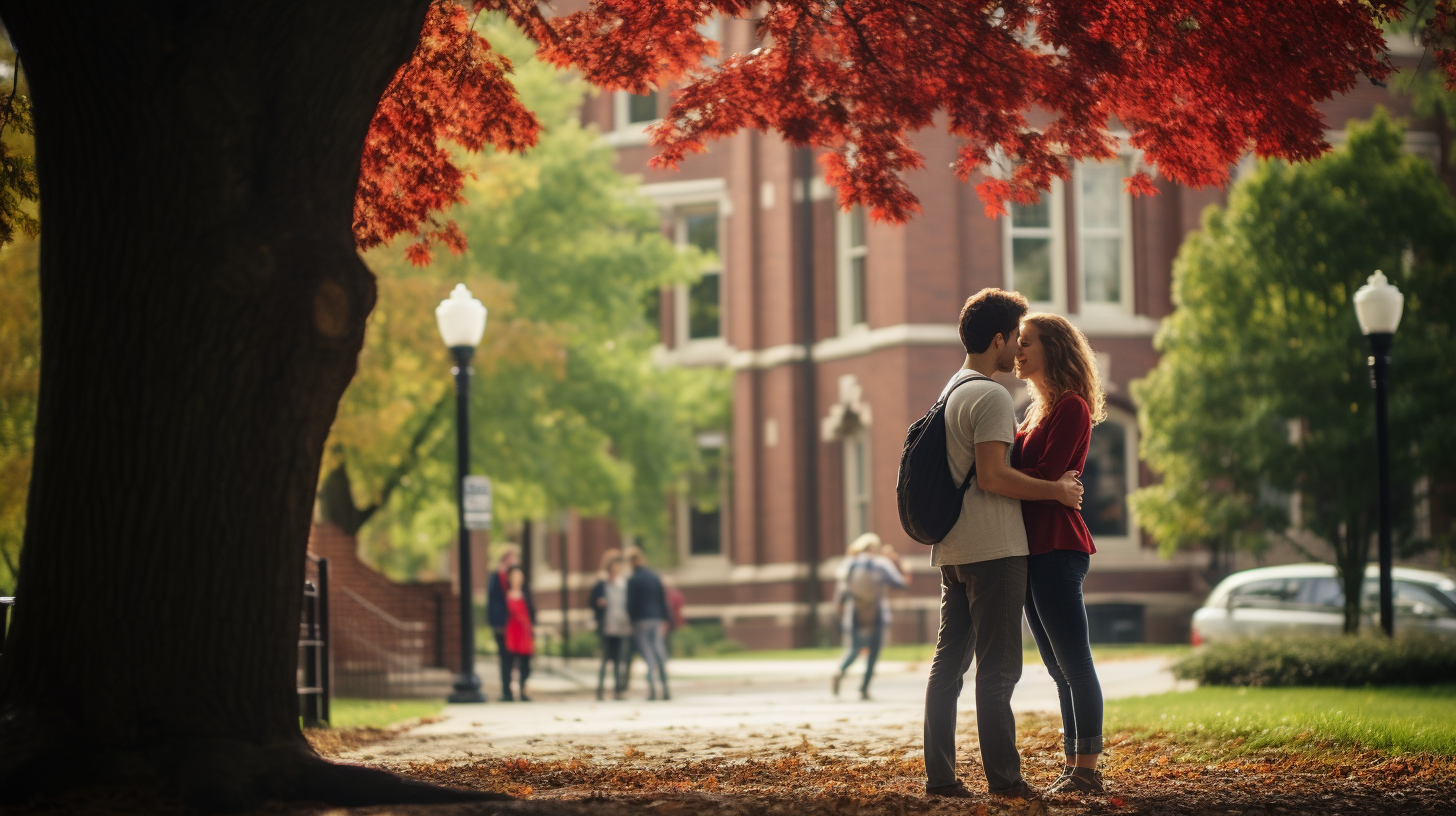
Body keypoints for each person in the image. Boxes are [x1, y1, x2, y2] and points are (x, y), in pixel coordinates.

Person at [922, 288, 1083, 802]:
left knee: (947, 667)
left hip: (952, 550)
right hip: (994, 551)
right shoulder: (990, 396)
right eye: (1015, 337)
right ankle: (1006, 781)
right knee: (998, 671)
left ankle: (941, 778)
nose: (1017, 348)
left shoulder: (953, 389)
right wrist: (1057, 490)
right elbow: (994, 477)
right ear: (997, 338)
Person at [1012, 312, 1108, 794]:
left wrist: (1037, 484)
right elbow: (1029, 476)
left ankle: (1087, 769)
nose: (1018, 350)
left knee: (1075, 663)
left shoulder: (1071, 407)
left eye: (1027, 342)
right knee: (1056, 667)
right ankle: (1074, 763)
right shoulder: (1034, 411)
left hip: (1058, 546)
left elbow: (1048, 476)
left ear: (1054, 348)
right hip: (1033, 548)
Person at [832, 532, 906, 700]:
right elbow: (900, 583)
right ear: (875, 548)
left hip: (855, 612)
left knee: (855, 649)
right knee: (873, 652)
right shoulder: (880, 563)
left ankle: (840, 671)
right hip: (877, 613)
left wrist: (839, 609)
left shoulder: (850, 563)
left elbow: (841, 593)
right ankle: (863, 689)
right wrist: (896, 564)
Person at [624, 548, 671, 701]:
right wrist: (665, 619)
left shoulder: (633, 580)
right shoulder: (654, 577)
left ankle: (652, 690)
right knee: (659, 652)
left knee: (648, 655)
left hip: (641, 621)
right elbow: (662, 600)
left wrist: (631, 621)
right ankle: (665, 688)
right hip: (656, 619)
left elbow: (631, 603)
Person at [486, 546, 532, 701]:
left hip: (522, 630)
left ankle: (522, 690)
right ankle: (507, 692)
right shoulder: (497, 577)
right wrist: (498, 624)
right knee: (506, 660)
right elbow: (493, 602)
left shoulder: (522, 582)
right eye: (512, 558)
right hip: (505, 627)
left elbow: (530, 606)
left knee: (524, 661)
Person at [588, 555, 633, 701]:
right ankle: (600, 690)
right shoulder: (602, 585)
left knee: (619, 660)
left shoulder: (624, 585)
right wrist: (598, 603)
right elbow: (591, 601)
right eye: (613, 570)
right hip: (606, 626)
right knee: (605, 659)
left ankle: (617, 690)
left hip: (622, 627)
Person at [501, 565, 536, 702]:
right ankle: (508, 691)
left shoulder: (526, 594)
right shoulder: (505, 594)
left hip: (525, 632)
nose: (517, 579)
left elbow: (532, 613)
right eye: (514, 576)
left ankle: (522, 689)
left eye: (519, 576)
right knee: (509, 663)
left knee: (525, 664)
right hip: (512, 632)